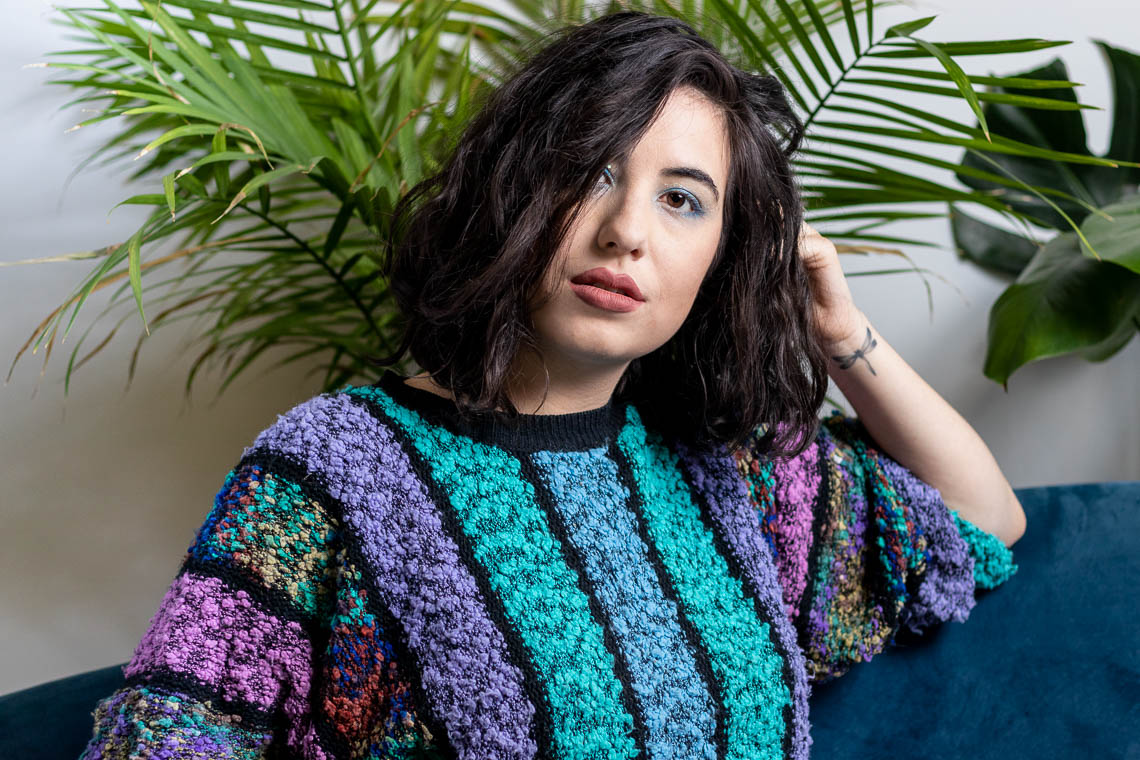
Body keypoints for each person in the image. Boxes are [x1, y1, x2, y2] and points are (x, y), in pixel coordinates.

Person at [78, 10, 1024, 759]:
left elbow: (982, 521)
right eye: (591, 172)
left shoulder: (732, 476)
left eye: (683, 199)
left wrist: (838, 333)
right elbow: (164, 737)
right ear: (516, 190)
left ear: (721, 257)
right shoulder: (331, 468)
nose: (627, 231)